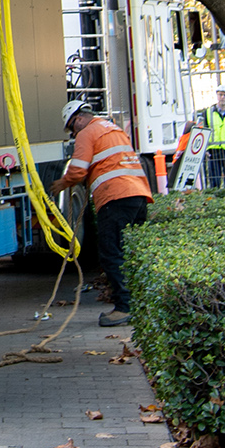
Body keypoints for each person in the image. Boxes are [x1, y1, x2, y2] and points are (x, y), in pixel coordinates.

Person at [49, 100, 152, 327]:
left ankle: (124, 308)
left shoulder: (87, 132)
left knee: (110, 253)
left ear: (78, 119)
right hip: (137, 195)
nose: (74, 134)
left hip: (115, 197)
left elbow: (77, 170)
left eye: (72, 128)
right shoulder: (112, 128)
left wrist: (62, 184)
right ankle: (141, 303)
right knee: (129, 252)